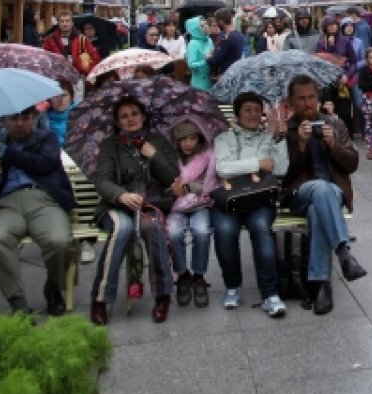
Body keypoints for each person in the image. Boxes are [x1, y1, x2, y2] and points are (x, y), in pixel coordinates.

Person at [88, 98, 179, 325]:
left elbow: (172, 177)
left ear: (143, 116)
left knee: (153, 226)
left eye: (135, 113)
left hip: (150, 203)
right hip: (116, 206)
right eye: (124, 116)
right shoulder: (111, 145)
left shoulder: (157, 140)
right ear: (118, 121)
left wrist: (154, 155)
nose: (130, 119)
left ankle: (162, 295)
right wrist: (121, 195)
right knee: (123, 228)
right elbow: (102, 180)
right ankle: (100, 299)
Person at [282, 76, 366, 316]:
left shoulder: (335, 125)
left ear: (318, 99)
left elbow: (352, 164)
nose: (308, 103)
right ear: (291, 102)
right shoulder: (287, 129)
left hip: (330, 195)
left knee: (320, 205)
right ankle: (344, 253)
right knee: (320, 188)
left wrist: (333, 145)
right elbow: (284, 175)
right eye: (301, 99)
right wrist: (299, 144)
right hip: (299, 193)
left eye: (312, 98)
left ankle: (321, 286)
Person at [0, 107, 76, 316]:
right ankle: (17, 301)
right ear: (4, 121)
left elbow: (45, 164)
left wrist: (6, 152)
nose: (19, 123)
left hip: (43, 200)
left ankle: (53, 286)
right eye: (14, 118)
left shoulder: (46, 138)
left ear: (33, 119)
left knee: (59, 242)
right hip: (7, 203)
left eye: (25, 118)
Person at [212, 91, 290, 317]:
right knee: (225, 231)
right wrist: (258, 163)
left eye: (257, 110)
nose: (253, 114)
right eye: (247, 109)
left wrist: (280, 139)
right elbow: (222, 168)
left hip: (259, 199)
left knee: (261, 229)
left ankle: (270, 294)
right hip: (229, 199)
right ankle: (233, 286)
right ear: (237, 114)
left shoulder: (268, 137)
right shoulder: (223, 138)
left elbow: (281, 169)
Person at [166, 120, 216, 307]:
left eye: (193, 138)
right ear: (176, 141)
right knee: (173, 232)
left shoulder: (207, 156)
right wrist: (173, 189)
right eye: (183, 139)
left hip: (200, 204)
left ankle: (199, 275)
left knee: (202, 231)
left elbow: (211, 182)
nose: (188, 143)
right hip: (175, 207)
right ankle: (182, 274)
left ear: (199, 139)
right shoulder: (170, 157)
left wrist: (188, 187)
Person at [42, 11, 99, 77]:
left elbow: (95, 58)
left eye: (67, 21)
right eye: (62, 21)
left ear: (72, 23)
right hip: (57, 76)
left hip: (78, 76)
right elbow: (45, 59)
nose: (65, 24)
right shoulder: (50, 40)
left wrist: (85, 71)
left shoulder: (82, 39)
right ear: (58, 23)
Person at [207, 8, 246, 79]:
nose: (217, 25)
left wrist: (208, 57)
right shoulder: (239, 35)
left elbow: (215, 61)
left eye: (217, 22)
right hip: (236, 73)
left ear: (221, 22)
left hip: (226, 75)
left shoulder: (227, 38)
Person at [185, 16, 213, 91]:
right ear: (195, 29)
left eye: (206, 24)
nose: (206, 27)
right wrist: (205, 60)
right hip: (199, 84)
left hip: (211, 81)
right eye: (202, 26)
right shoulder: (193, 44)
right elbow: (191, 64)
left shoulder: (209, 40)